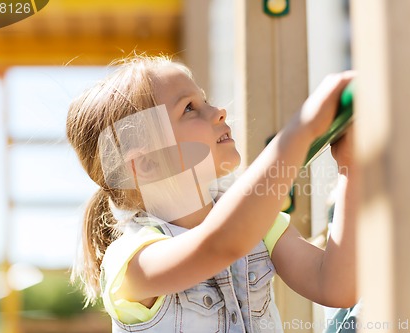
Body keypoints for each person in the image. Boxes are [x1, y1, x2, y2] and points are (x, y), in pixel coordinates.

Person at [67, 55, 356, 333]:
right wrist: (302, 129)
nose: (218, 111)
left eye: (204, 100)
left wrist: (349, 167)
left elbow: (335, 285)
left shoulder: (259, 226)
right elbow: (220, 245)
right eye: (189, 108)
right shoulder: (131, 263)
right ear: (147, 163)